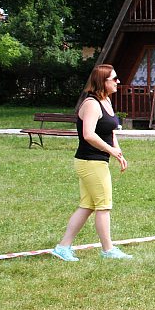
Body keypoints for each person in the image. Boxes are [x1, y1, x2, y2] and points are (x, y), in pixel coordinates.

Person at [50, 64, 132, 261]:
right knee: (104, 206)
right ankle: (108, 250)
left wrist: (118, 152)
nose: (117, 82)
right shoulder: (91, 104)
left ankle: (63, 247)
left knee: (87, 205)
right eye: (114, 79)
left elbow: (110, 130)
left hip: (97, 161)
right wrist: (110, 150)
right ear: (102, 82)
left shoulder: (106, 102)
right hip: (90, 162)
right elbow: (88, 134)